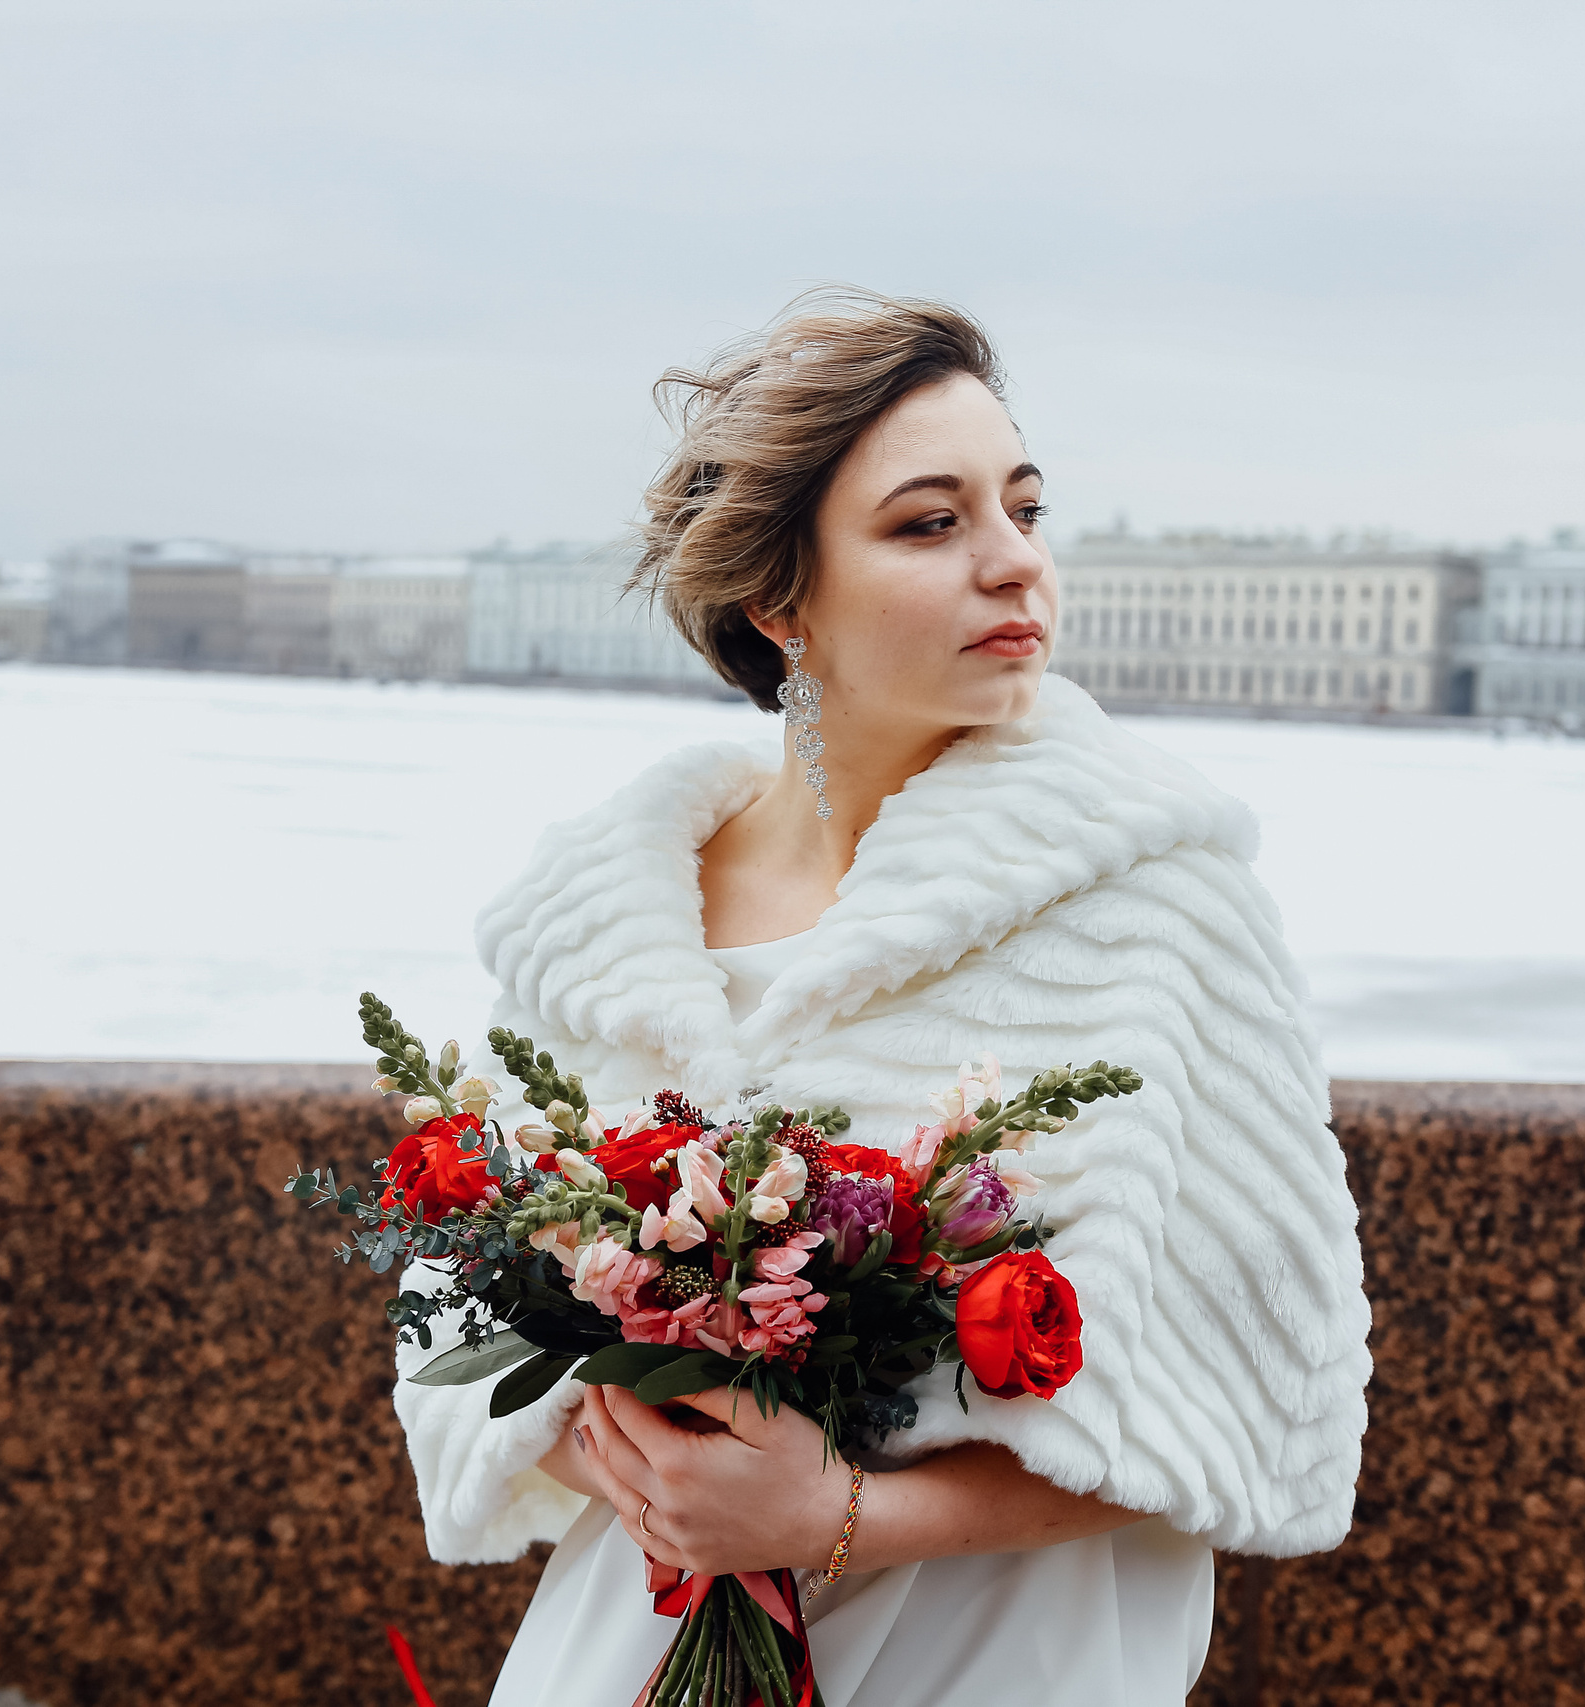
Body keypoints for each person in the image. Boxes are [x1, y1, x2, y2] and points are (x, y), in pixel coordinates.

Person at [394, 290, 1372, 1705]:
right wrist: (649, 1454)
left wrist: (830, 1517)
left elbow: (1232, 1406)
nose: (1013, 566)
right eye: (933, 523)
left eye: (1023, 510)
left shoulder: (1155, 901)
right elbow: (452, 1299)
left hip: (998, 1655)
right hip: (633, 1644)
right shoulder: (603, 915)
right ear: (779, 599)